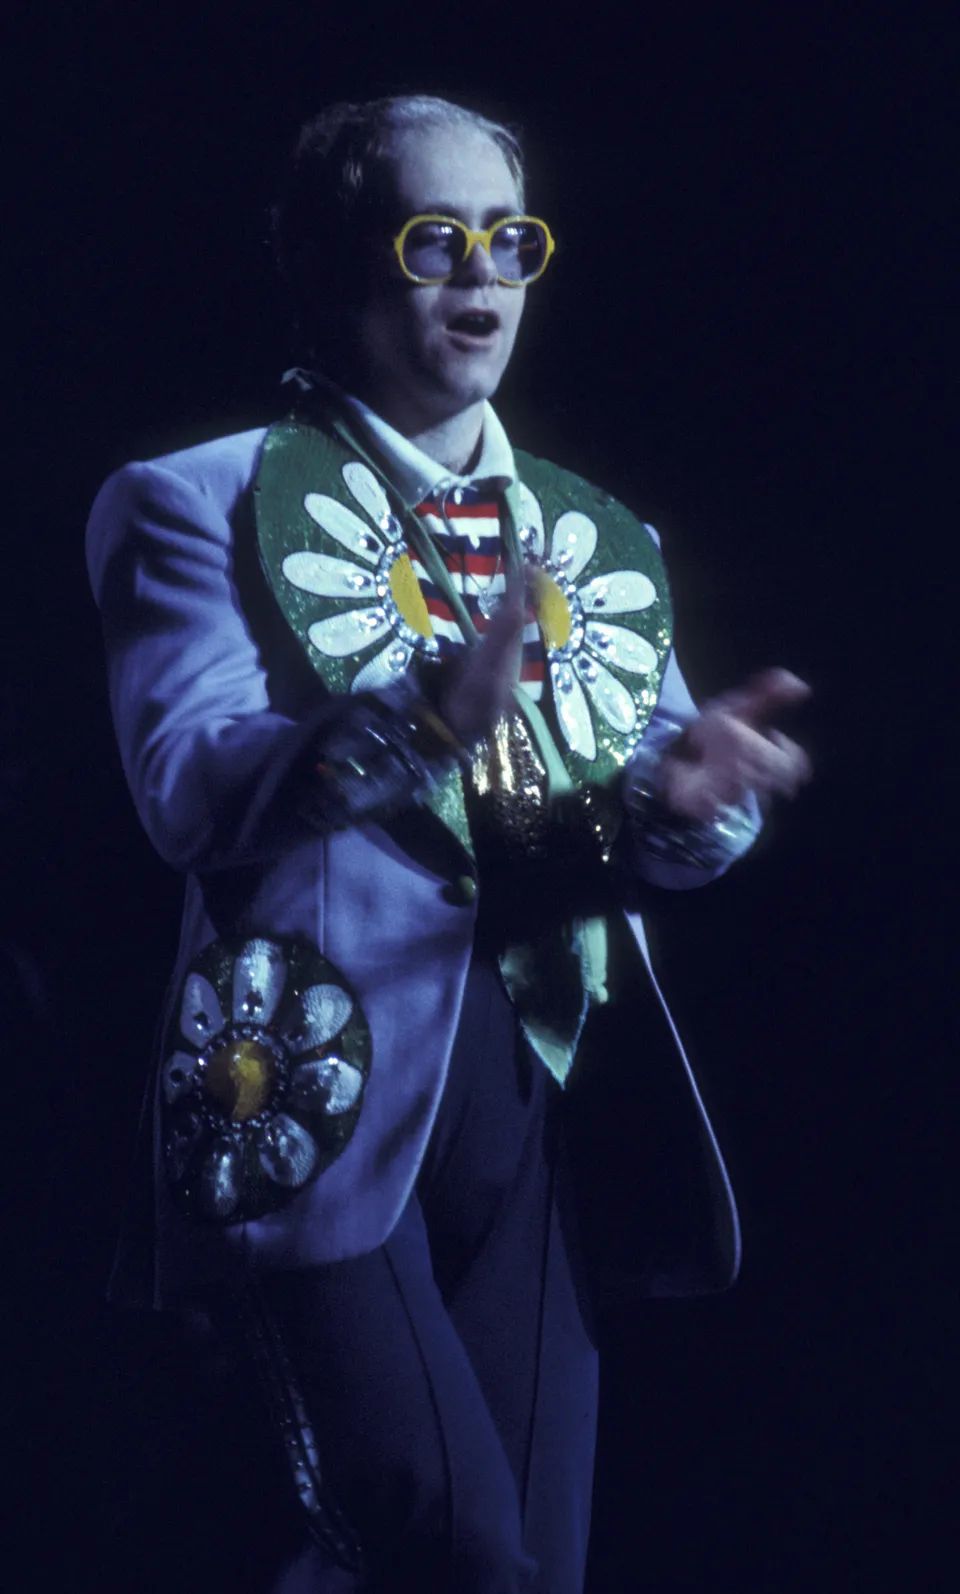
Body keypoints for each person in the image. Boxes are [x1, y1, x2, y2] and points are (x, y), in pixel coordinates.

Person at [87, 95, 810, 1594]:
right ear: (326, 256)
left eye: (509, 238)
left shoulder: (597, 539)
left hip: (545, 1094)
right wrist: (414, 718)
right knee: (462, 1556)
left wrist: (695, 803)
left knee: (529, 1564)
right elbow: (186, 791)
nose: (480, 275)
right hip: (312, 1095)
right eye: (432, 238)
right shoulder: (192, 500)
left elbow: (646, 824)